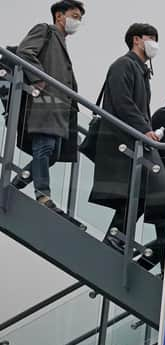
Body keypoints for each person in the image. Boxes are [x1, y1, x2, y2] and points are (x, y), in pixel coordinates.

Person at [88, 23, 165, 270]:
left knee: (139, 194)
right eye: (151, 38)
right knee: (140, 192)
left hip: (133, 142)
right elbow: (123, 103)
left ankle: (116, 237)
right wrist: (144, 130)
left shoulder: (141, 71)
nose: (154, 43)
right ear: (136, 40)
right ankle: (116, 238)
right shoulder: (123, 65)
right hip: (122, 141)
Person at [12, 1, 85, 223]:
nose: (77, 22)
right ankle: (43, 195)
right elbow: (25, 52)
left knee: (51, 154)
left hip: (58, 111)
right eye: (74, 15)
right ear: (59, 16)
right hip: (43, 104)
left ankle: (16, 185)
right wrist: (39, 79)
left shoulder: (61, 41)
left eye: (80, 18)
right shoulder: (45, 30)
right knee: (44, 148)